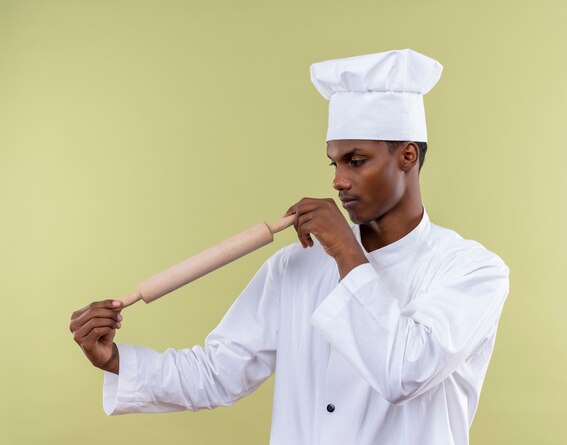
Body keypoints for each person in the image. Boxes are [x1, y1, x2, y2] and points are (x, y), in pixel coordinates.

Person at [69, 49, 509, 444]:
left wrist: (345, 251)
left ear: (407, 156)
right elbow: (218, 372)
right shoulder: (296, 265)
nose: (338, 179)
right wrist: (115, 360)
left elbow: (405, 372)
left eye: (356, 161)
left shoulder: (472, 271)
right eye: (334, 162)